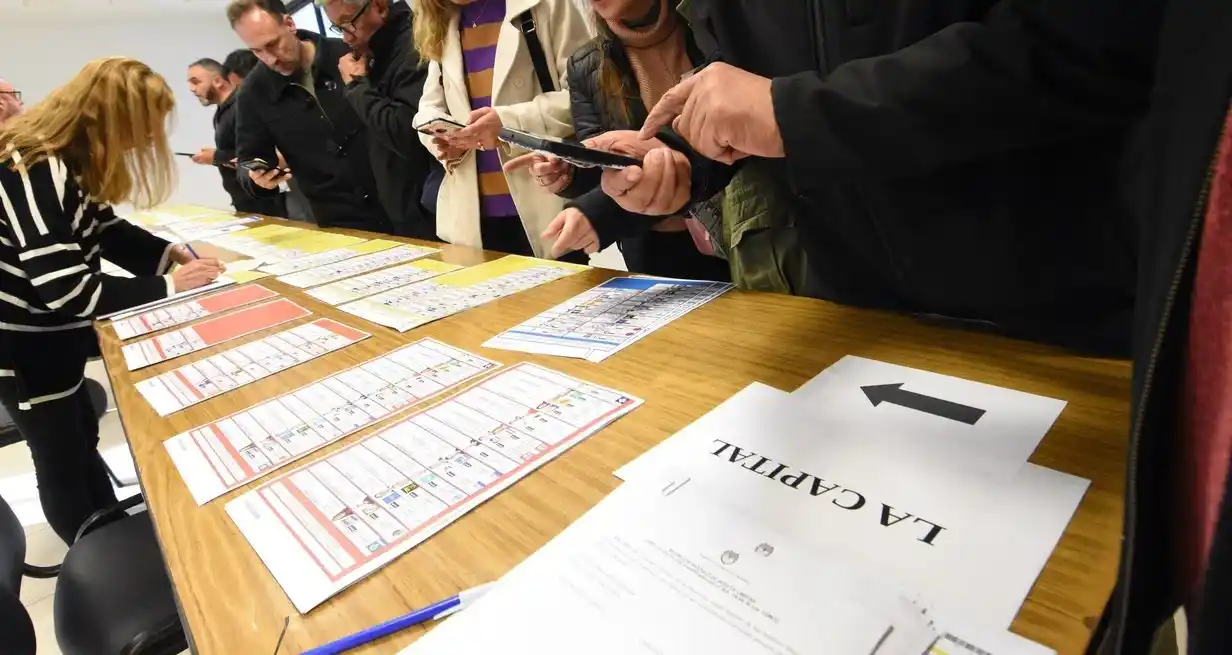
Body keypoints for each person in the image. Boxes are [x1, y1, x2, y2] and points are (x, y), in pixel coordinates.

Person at [594, 0, 1157, 357]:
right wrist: (678, 161)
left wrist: (799, 114)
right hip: (854, 319)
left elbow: (1091, 44)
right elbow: (749, 95)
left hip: (1065, 319)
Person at [0, 57, 225, 544]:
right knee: (60, 454)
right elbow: (68, 291)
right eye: (143, 126)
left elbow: (106, 230)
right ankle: (98, 553)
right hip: (23, 344)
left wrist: (169, 257)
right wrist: (169, 287)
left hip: (49, 335)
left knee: (80, 431)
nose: (147, 140)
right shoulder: (35, 167)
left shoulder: (71, 159)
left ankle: (113, 530)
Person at [505, 0, 729, 281]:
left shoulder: (711, 27)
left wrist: (598, 213)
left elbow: (729, 136)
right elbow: (605, 166)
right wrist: (570, 171)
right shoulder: (587, 64)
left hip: (741, 232)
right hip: (651, 245)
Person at [411, 0, 591, 260]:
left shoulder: (546, 5)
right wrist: (441, 139)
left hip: (545, 203)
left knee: (561, 296)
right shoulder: (442, 20)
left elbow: (584, 97)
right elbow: (428, 107)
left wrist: (506, 124)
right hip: (471, 220)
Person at [227, 0, 391, 233]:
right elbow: (248, 160)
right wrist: (258, 179)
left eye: (272, 44)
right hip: (340, 223)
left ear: (290, 23)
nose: (270, 58)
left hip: (402, 204)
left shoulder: (350, 52)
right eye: (257, 51)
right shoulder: (253, 93)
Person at [320, 0, 438, 240]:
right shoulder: (374, 53)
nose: (345, 38)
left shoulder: (413, 44)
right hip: (401, 210)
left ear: (380, 6)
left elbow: (407, 133)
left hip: (428, 211)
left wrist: (356, 86)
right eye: (337, 27)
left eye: (349, 24)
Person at [186, 58, 287, 217]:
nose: (191, 89)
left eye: (195, 82)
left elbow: (260, 154)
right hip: (246, 200)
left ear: (218, 81)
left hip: (265, 200)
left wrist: (216, 156)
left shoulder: (242, 107)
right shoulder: (222, 112)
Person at [223, 48, 316, 223]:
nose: (239, 93)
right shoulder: (249, 108)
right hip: (299, 191)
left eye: (240, 85)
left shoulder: (285, 97)